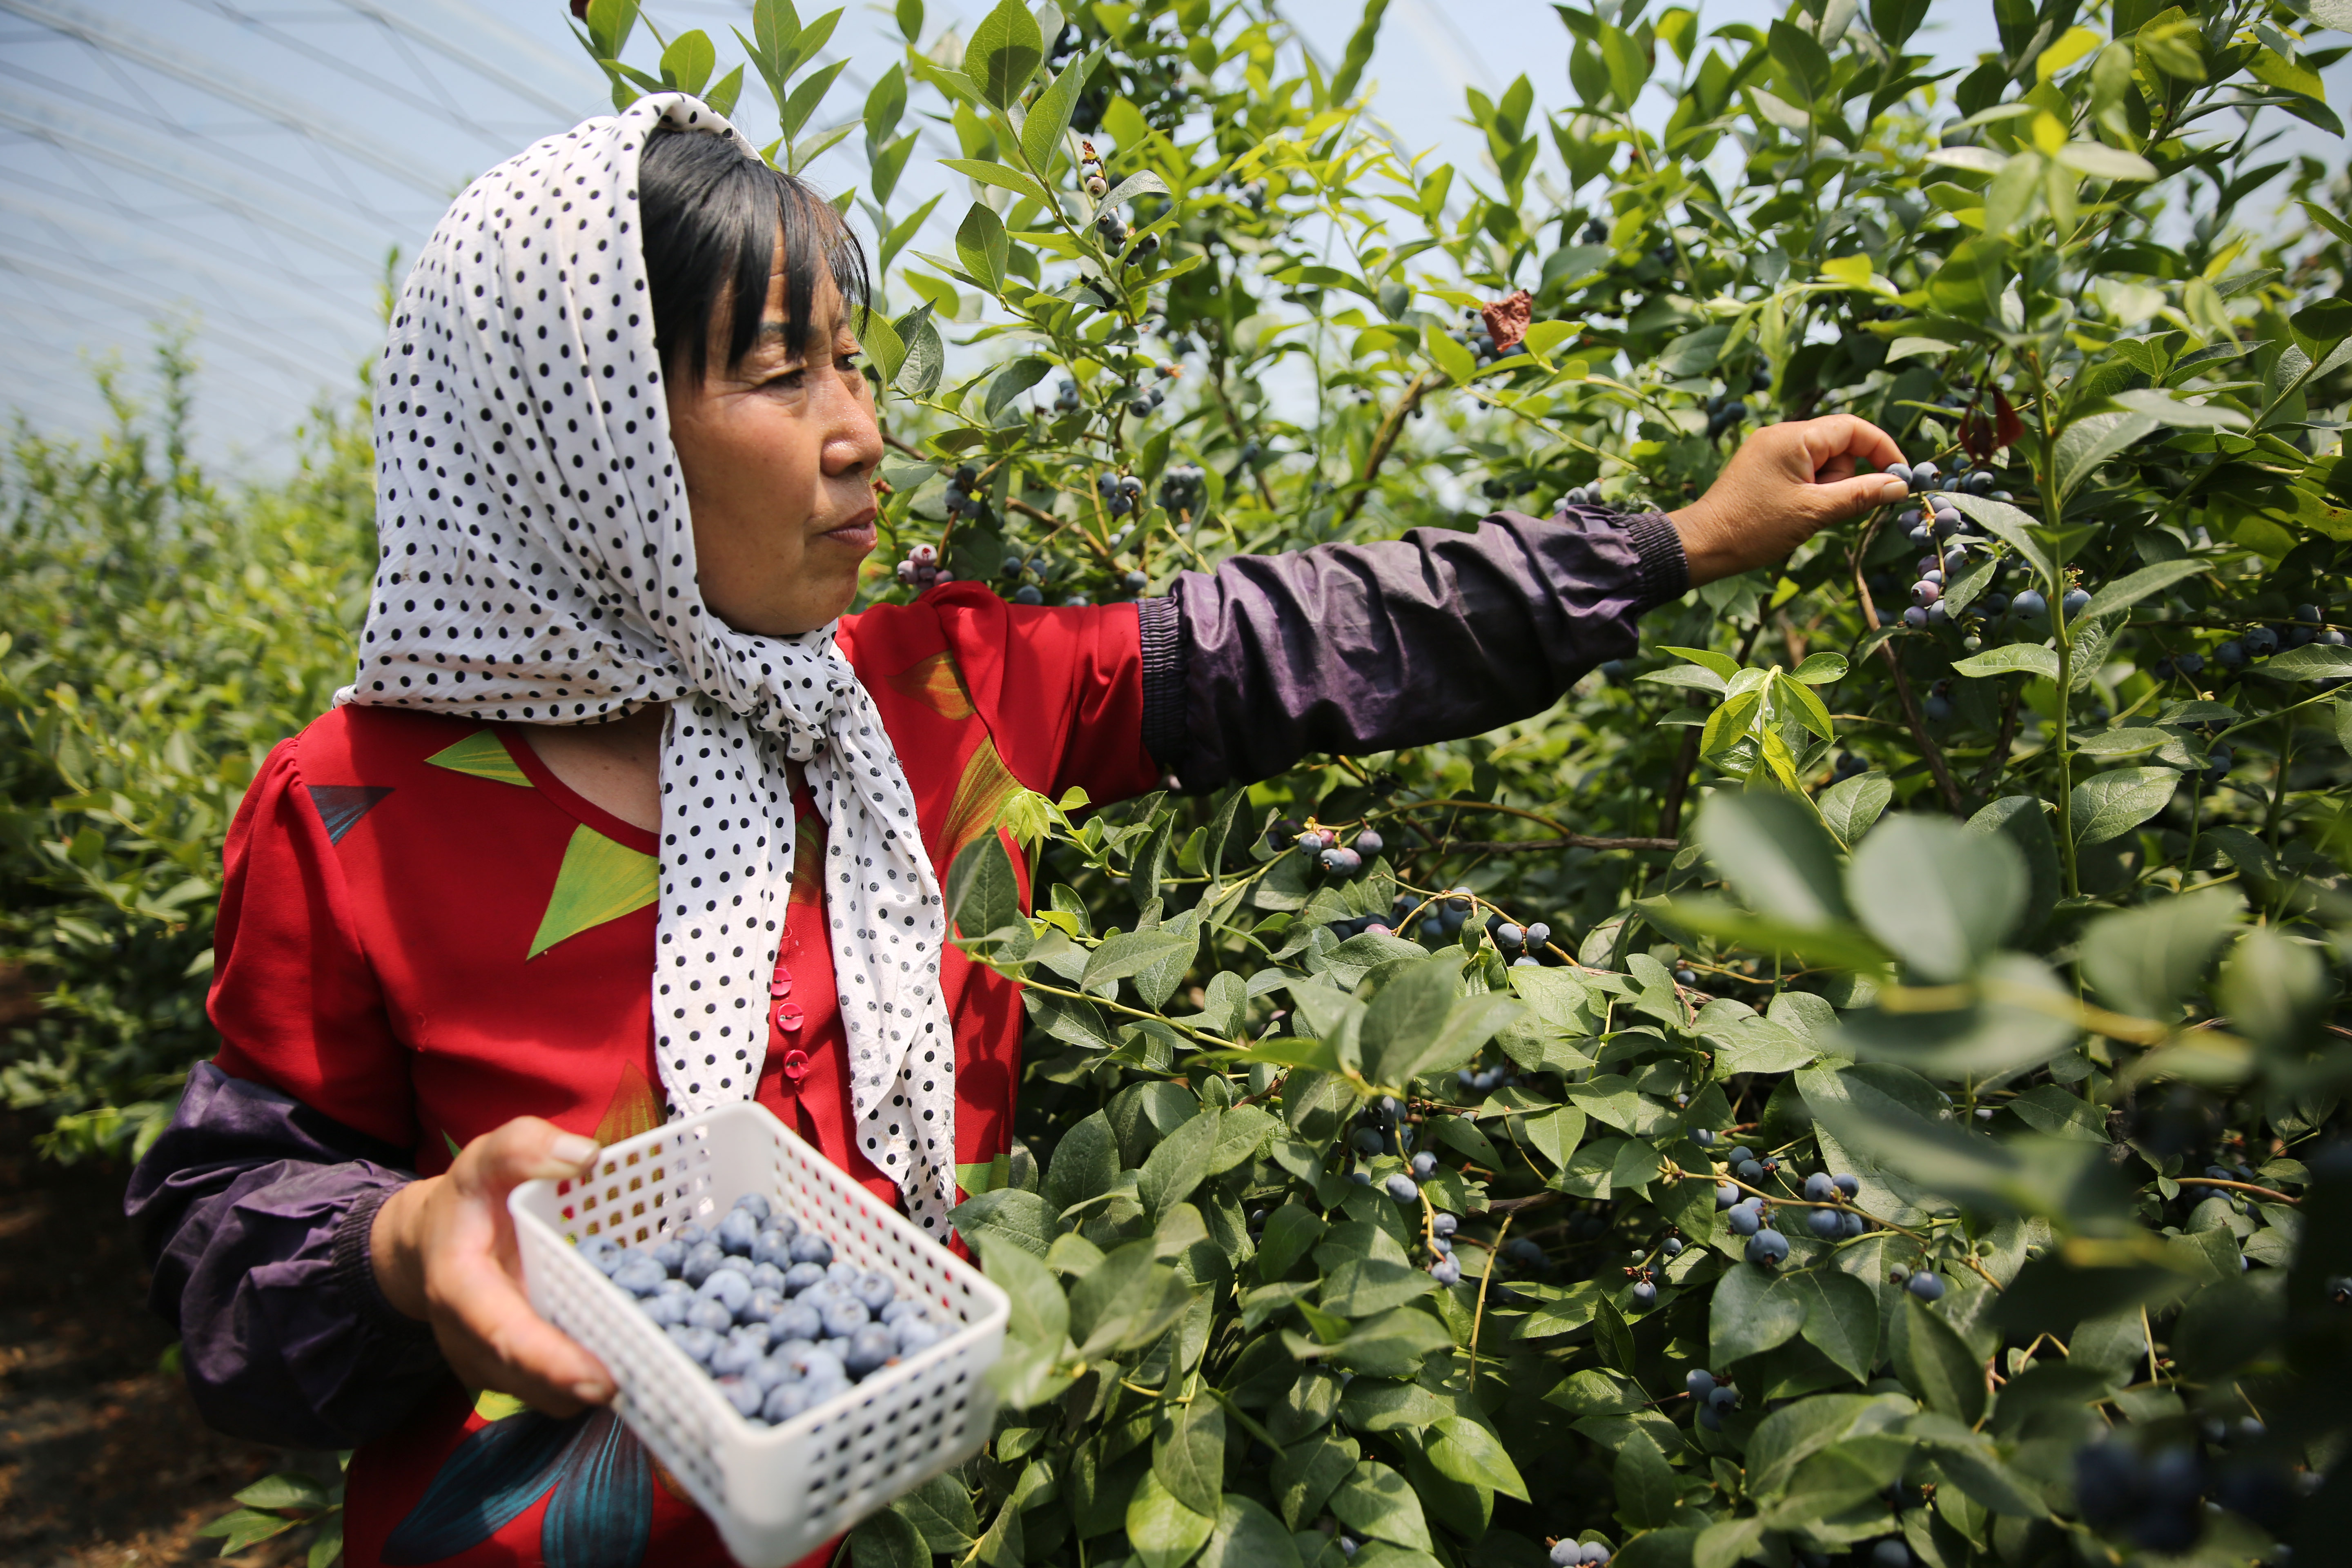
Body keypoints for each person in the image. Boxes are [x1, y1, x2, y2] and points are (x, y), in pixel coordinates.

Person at [125, 95, 1908, 1568]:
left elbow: (1313, 636)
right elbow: (225, 1230)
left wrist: (1671, 544)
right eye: (780, 375)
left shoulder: (938, 702)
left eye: (856, 364)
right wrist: (398, 1244)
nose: (863, 436)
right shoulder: (359, 804)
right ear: (578, 427)